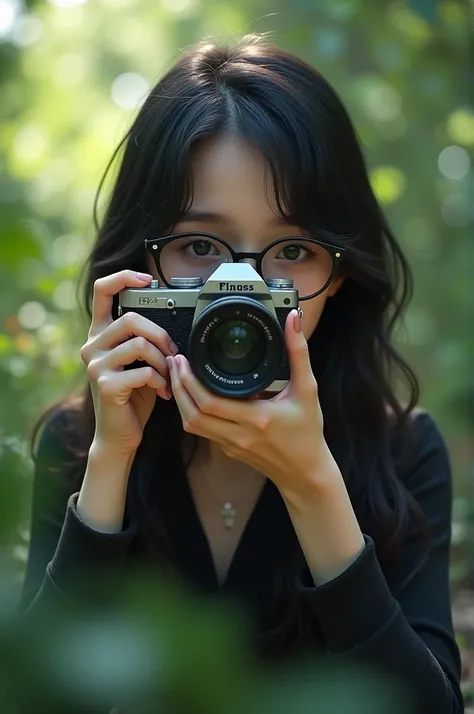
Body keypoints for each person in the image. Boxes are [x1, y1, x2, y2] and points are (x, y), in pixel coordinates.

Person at [18, 33, 463, 713]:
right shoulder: (81, 445)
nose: (243, 289)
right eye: (200, 246)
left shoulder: (403, 454)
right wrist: (110, 462)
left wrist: (313, 482)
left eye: (290, 250)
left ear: (339, 274)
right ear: (141, 266)